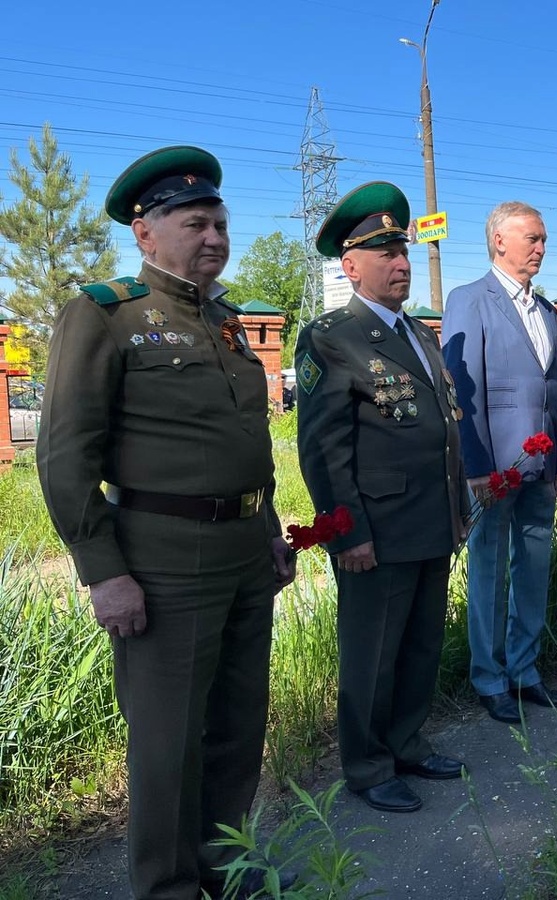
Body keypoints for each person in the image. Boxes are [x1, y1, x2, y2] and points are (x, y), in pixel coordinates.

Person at [36, 146, 296, 900]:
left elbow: (242, 442)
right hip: (163, 560)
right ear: (145, 232)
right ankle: (167, 886)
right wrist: (103, 570)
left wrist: (270, 527)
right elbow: (63, 454)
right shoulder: (106, 313)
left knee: (240, 724)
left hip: (246, 549)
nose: (213, 236)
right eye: (194, 222)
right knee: (168, 739)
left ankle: (226, 863)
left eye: (220, 221)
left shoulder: (223, 320)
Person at [294, 182, 469, 813]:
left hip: (431, 518)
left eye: (404, 251)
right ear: (351, 265)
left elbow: (443, 426)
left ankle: (407, 742)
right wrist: (347, 533)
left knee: (422, 641)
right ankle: (368, 766)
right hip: (377, 527)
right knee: (373, 652)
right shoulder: (332, 337)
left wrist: (458, 510)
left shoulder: (420, 334)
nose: (401, 263)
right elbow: (322, 449)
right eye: (386, 253)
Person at [441, 201, 557, 724]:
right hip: (494, 468)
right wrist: (473, 468)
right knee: (490, 570)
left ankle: (525, 671)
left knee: (533, 571)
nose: (542, 248)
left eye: (544, 239)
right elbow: (463, 395)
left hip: (541, 469)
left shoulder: (545, 312)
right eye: (533, 239)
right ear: (500, 240)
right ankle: (489, 677)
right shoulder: (469, 300)